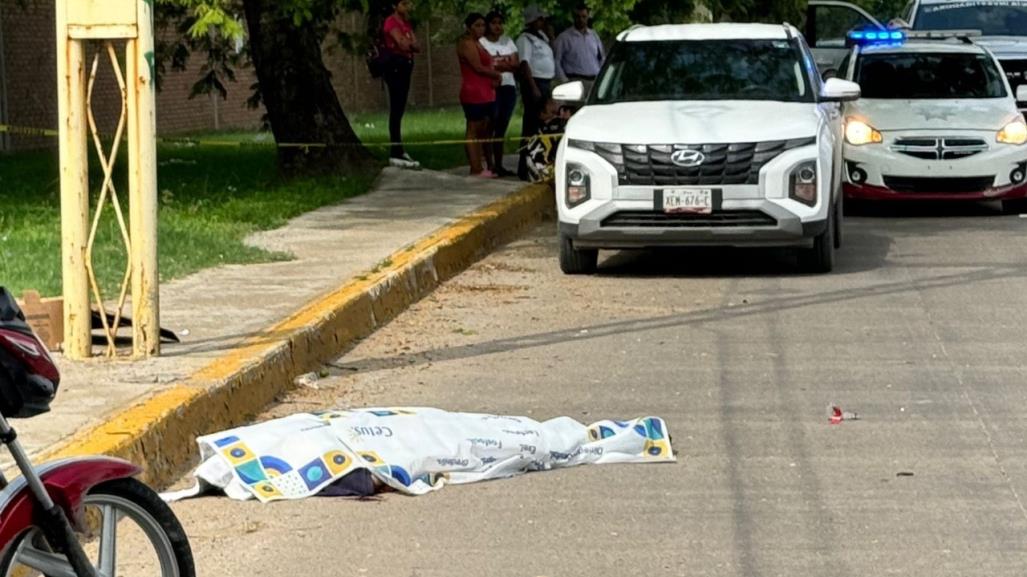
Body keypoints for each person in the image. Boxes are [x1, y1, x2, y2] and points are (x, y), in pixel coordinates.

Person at [458, 13, 503, 177]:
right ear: (469, 27)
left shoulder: (479, 43)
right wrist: (496, 75)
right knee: (473, 128)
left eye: (483, 25)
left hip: (486, 93)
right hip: (473, 91)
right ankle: (475, 167)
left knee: (484, 128)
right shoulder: (467, 44)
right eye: (477, 25)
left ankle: (482, 164)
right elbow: (477, 67)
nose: (481, 28)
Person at [516, 5, 556, 181]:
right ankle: (524, 166)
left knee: (543, 125)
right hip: (535, 83)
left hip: (545, 82)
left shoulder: (542, 38)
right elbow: (524, 64)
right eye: (540, 19)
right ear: (532, 20)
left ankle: (539, 162)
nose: (543, 22)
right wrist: (533, 88)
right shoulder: (525, 39)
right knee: (532, 124)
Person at [479, 11, 520, 177]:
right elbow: (486, 65)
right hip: (492, 87)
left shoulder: (508, 41)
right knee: (490, 125)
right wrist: (503, 63)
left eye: (500, 23)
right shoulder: (481, 43)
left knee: (502, 126)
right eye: (494, 23)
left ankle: (500, 164)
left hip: (508, 86)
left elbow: (515, 64)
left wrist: (500, 64)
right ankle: (490, 164)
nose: (498, 26)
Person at [382, 0, 420, 169]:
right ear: (395, 5)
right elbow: (402, 43)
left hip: (406, 64)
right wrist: (408, 42)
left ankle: (399, 148)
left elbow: (416, 46)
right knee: (396, 107)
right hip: (395, 65)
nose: (408, 6)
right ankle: (395, 149)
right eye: (404, 3)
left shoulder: (406, 23)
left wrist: (410, 43)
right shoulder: (391, 22)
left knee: (401, 105)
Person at [553, 3, 604, 84]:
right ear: (573, 17)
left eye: (584, 16)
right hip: (574, 80)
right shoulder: (564, 37)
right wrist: (564, 81)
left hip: (594, 81)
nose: (581, 19)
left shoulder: (594, 36)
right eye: (578, 16)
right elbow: (556, 61)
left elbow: (601, 58)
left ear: (588, 17)